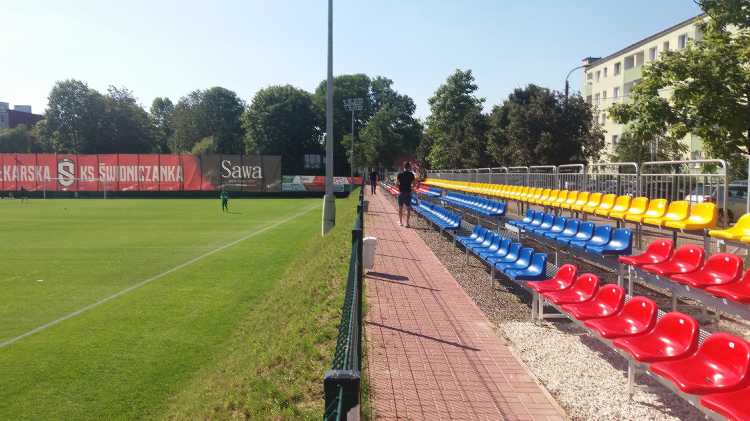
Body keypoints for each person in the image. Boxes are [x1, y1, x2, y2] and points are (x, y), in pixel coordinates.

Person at [396, 162, 416, 227]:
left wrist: (400, 187)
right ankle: (407, 223)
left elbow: (396, 184)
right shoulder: (411, 174)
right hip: (408, 193)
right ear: (409, 167)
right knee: (408, 208)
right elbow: (414, 184)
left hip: (401, 193)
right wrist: (411, 188)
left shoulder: (400, 174)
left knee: (400, 208)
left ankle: (400, 222)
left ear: (403, 167)